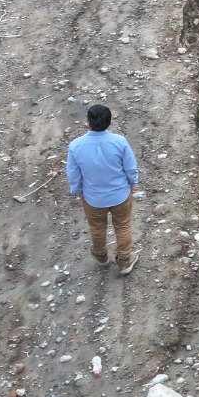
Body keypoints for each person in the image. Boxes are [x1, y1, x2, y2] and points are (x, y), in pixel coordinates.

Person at [66, 104, 140, 275]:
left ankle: (101, 256)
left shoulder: (75, 146)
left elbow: (73, 174)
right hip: (120, 195)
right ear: (109, 122)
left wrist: (78, 192)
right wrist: (132, 183)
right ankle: (125, 260)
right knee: (122, 226)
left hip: (93, 199)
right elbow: (130, 168)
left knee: (97, 229)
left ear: (88, 123)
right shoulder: (120, 142)